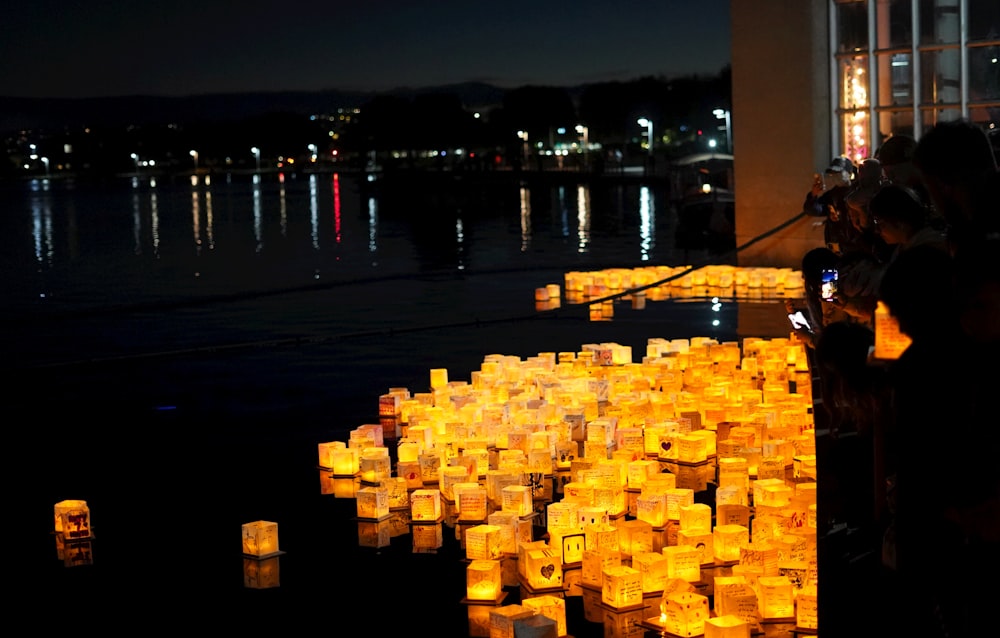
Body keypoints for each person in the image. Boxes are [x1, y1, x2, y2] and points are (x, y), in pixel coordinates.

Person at [878, 244, 979, 636]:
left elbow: (926, 447)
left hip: (944, 515)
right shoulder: (955, 354)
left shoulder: (931, 365)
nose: (896, 325)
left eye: (898, 314)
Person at [912, 118, 1000, 254]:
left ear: (942, 184)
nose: (932, 202)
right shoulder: (968, 232)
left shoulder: (979, 245)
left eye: (929, 187)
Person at [868, 182, 947, 265]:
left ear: (900, 222)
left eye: (879, 223)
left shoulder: (928, 253)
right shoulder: (905, 247)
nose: (876, 230)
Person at [803, 156, 863, 255]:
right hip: (836, 248)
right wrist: (813, 195)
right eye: (833, 174)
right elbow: (812, 210)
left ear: (849, 173)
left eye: (839, 173)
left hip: (856, 247)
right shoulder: (833, 194)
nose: (835, 176)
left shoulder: (858, 192)